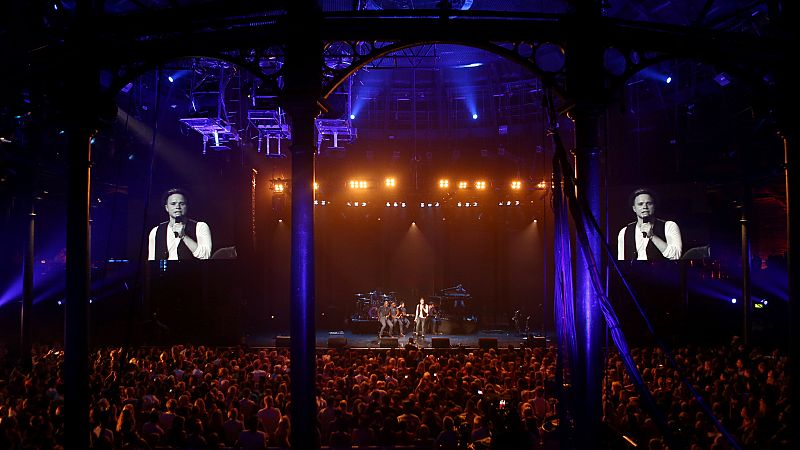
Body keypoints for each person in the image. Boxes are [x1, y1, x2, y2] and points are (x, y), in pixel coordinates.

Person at [617, 188, 682, 260]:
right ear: (634, 208)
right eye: (640, 204)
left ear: (654, 206)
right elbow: (621, 261)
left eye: (649, 203)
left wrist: (652, 236)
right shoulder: (624, 232)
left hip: (660, 270)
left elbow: (676, 256)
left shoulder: (669, 226)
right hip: (634, 271)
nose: (645, 207)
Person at [148, 188, 212, 260]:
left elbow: (206, 256)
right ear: (167, 208)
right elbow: (151, 260)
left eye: (181, 204)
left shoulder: (200, 227)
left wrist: (184, 236)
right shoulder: (156, 231)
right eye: (173, 204)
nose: (177, 207)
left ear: (187, 206)